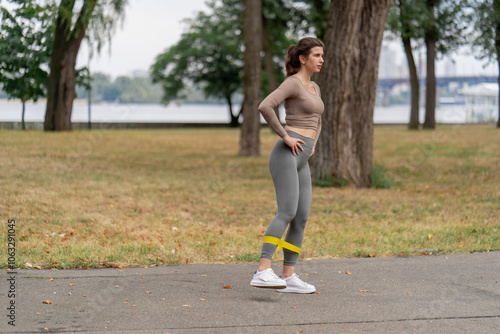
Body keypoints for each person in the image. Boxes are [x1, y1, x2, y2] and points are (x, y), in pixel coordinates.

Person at [250, 37, 325, 294]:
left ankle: (288, 275)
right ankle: (262, 270)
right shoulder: (292, 83)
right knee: (287, 212)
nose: (321, 59)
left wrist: (313, 141)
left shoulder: (314, 87)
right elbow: (265, 106)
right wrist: (285, 136)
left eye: (321, 55)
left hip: (303, 156)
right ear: (302, 58)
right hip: (287, 153)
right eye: (316, 55)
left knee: (301, 217)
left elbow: (317, 117)